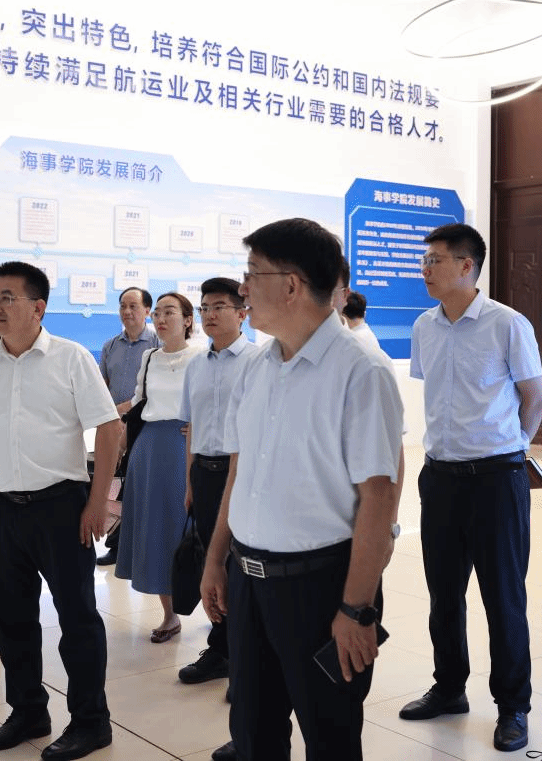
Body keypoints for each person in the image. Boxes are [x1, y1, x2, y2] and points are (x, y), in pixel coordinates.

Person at [199, 218, 404, 761]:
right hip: (249, 584)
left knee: (329, 736)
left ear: (290, 285)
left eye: (252, 274)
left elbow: (379, 498)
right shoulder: (257, 367)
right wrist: (217, 558)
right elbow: (240, 472)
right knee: (253, 732)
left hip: (321, 590)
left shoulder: (362, 371)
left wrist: (356, 609)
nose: (242, 287)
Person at [0, 261, 121, 761]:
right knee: (11, 618)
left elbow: (109, 428)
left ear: (38, 307)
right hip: (0, 508)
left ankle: (91, 722)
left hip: (60, 507)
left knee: (78, 618)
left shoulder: (71, 358)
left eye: (8, 297)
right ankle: (28, 710)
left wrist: (97, 502)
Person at [398, 223, 542, 754]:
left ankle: (513, 706)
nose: (425, 269)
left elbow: (535, 395)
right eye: (424, 260)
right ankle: (449, 687)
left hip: (495, 480)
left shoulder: (507, 324)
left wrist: (515, 448)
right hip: (440, 478)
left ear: (467, 266)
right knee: (444, 594)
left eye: (434, 260)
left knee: (503, 597)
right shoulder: (424, 326)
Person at [175, 277, 255, 686]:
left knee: (244, 567)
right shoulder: (195, 366)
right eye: (204, 307)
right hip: (205, 475)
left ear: (242, 314)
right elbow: (192, 427)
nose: (209, 314)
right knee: (214, 562)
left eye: (219, 306)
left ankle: (247, 657)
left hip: (244, 475)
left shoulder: (259, 362)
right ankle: (221, 649)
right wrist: (190, 482)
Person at [114, 292, 201, 642]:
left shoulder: (201, 357)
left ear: (188, 320)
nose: (161, 319)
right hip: (149, 449)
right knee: (156, 530)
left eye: (170, 312)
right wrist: (119, 443)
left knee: (187, 529)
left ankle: (217, 609)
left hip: (184, 448)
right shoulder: (149, 357)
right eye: (159, 313)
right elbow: (138, 403)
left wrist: (202, 427)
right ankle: (169, 615)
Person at [96, 287, 160, 566]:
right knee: (117, 486)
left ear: (147, 310)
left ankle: (144, 546)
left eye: (133, 306)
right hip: (114, 426)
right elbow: (102, 386)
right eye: (123, 305)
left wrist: (122, 410)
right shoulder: (110, 346)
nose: (127, 311)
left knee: (139, 488)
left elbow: (153, 391)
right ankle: (118, 546)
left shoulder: (157, 344)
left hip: (144, 426)